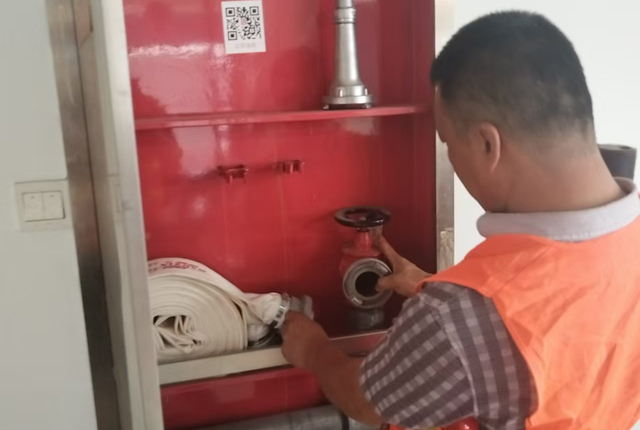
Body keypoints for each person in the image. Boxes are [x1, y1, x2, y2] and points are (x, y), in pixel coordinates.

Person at [281, 10, 640, 430]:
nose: (451, 157)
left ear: (488, 144)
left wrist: (315, 351)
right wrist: (429, 285)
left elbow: (367, 401)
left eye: (448, 143)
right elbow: (563, 312)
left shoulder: (458, 314)